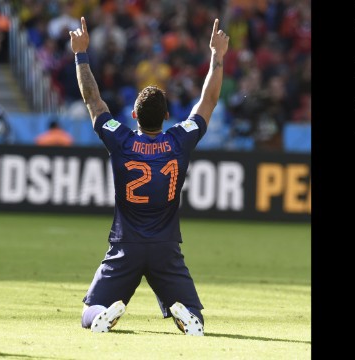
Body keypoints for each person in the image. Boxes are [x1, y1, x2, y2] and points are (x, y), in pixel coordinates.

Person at [68, 17, 229, 335]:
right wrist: (217, 56)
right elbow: (208, 101)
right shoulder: (179, 139)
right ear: (167, 116)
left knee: (90, 311)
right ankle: (184, 312)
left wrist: (81, 54)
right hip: (166, 245)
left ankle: (104, 314)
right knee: (195, 313)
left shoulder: (121, 140)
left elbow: (93, 100)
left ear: (133, 115)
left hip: (125, 244)